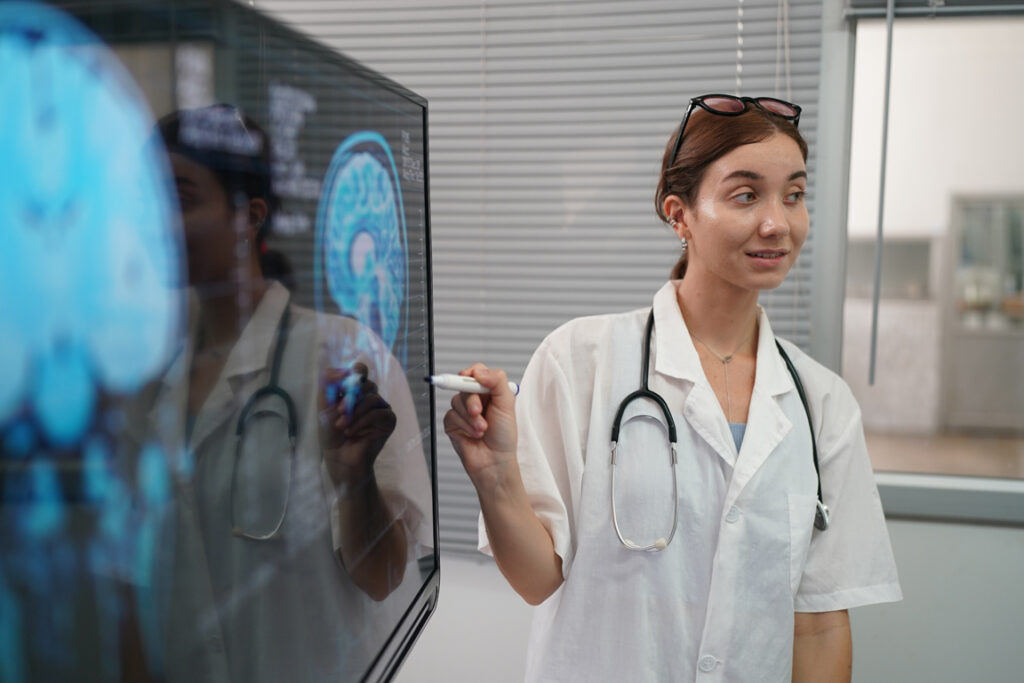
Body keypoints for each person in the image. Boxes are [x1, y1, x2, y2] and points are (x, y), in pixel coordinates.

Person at [444, 94, 902, 682]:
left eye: (794, 195)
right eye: (745, 194)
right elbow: (537, 581)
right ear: (679, 214)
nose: (777, 223)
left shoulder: (822, 402)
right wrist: (494, 475)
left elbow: (818, 625)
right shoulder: (580, 359)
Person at [122, 105, 432, 682]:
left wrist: (354, 480)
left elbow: (385, 577)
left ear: (249, 217)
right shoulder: (141, 380)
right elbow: (135, 587)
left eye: (181, 198)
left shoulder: (343, 357)